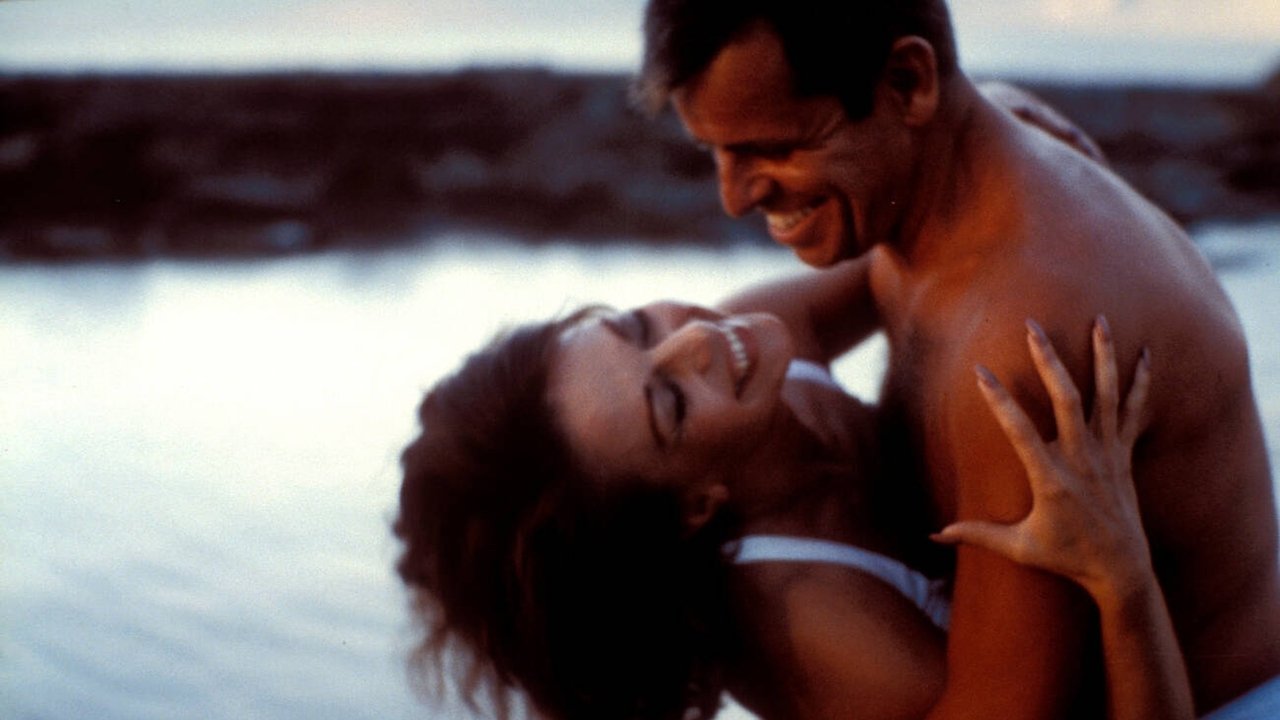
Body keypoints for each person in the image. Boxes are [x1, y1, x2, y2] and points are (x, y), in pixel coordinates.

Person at [634, 1, 1279, 715]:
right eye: (714, 150)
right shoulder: (929, 208)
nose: (733, 198)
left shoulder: (1015, 344)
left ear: (909, 83)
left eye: (774, 147)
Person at [393, 265, 1192, 720]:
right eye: (670, 404)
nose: (695, 339)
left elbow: (904, 248)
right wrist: (1123, 580)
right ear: (695, 505)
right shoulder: (817, 622)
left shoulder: (755, 337)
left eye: (635, 326)